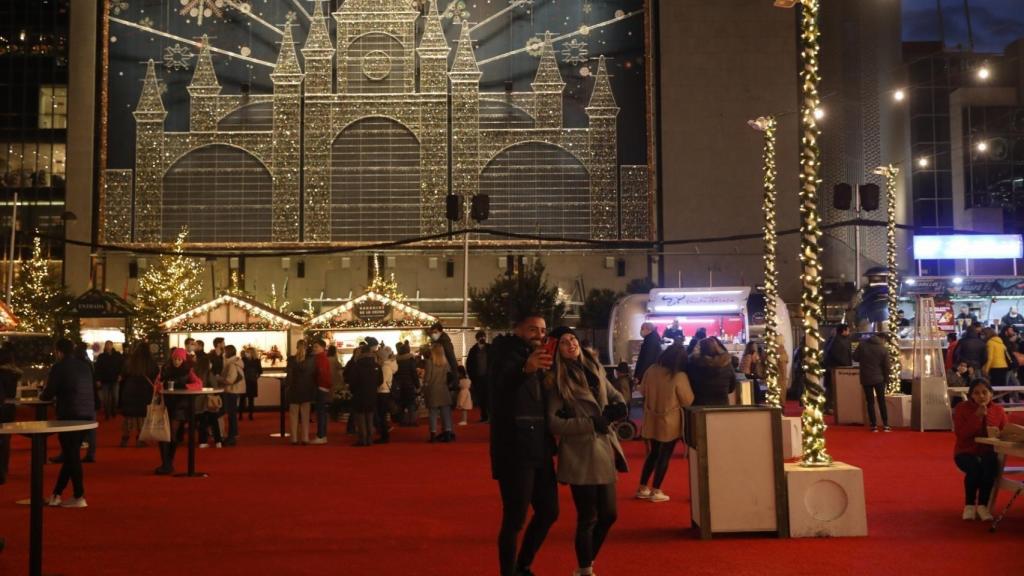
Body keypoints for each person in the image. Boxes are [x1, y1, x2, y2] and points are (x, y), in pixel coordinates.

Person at [545, 326, 627, 576]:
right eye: (563, 342)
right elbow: (554, 423)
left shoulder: (594, 366)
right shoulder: (557, 379)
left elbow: (615, 396)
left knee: (610, 514)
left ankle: (586, 559)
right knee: (588, 517)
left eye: (572, 338)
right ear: (556, 349)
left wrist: (618, 408)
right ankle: (585, 568)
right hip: (580, 453)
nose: (571, 343)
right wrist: (591, 423)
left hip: (603, 448)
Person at [489, 313, 558, 576]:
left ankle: (523, 564)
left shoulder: (540, 359)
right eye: (532, 329)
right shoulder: (503, 353)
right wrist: (524, 370)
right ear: (517, 329)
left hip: (540, 445)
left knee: (549, 511)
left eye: (542, 330)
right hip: (514, 447)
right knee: (515, 517)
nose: (539, 334)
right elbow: (499, 387)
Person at [40, 338, 96, 508]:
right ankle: (57, 494)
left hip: (69, 414)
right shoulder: (84, 366)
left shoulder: (59, 367)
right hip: (87, 414)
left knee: (71, 456)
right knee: (71, 456)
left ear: (59, 351)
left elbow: (49, 393)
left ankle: (79, 495)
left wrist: (42, 396)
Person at [637, 346, 694, 503]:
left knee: (653, 453)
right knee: (665, 455)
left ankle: (642, 487)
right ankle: (656, 489)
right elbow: (687, 400)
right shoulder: (679, 375)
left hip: (651, 417)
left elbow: (642, 391)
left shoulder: (651, 369)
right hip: (670, 420)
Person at [953, 378, 1007, 521]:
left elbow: (1005, 432)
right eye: (976, 393)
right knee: (975, 469)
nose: (981, 396)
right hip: (965, 451)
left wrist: (1000, 434)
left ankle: (983, 506)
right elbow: (961, 434)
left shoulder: (998, 410)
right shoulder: (962, 409)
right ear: (971, 395)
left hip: (988, 451)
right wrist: (976, 416)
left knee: (990, 466)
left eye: (984, 392)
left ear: (991, 394)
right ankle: (969, 505)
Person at [154, 348, 202, 475]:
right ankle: (166, 463)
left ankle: (168, 463)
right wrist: (160, 386)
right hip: (166, 404)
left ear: (183, 359)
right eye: (175, 359)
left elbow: (198, 384)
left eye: (179, 359)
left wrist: (185, 387)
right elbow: (157, 383)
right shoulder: (165, 369)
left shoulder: (188, 371)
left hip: (180, 406)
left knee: (171, 434)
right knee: (164, 434)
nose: (177, 361)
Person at [118, 342, 157, 448]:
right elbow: (155, 374)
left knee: (129, 416)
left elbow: (124, 374)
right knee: (142, 416)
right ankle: (140, 439)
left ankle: (125, 438)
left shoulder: (130, 361)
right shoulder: (150, 361)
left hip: (130, 389)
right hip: (144, 390)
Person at [347, 339, 382, 447]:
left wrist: (353, 390)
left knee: (361, 417)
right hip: (372, 393)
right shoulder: (376, 365)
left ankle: (363, 438)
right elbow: (380, 380)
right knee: (370, 416)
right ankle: (369, 439)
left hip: (359, 394)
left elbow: (352, 381)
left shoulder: (357, 366)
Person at [853, 334, 891, 432]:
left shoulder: (862, 346)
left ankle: (873, 425)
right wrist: (886, 379)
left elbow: (855, 358)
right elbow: (887, 367)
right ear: (882, 339)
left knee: (870, 402)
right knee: (881, 401)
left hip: (866, 378)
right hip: (879, 379)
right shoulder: (883, 349)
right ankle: (886, 424)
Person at [687, 337, 737, 406]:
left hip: (699, 407)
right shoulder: (727, 365)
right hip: (722, 406)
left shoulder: (693, 365)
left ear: (701, 350)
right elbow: (731, 388)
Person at [423, 342, 454, 442]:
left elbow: (427, 377)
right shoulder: (446, 362)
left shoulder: (429, 362)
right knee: (446, 413)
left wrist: (424, 385)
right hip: (444, 389)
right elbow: (449, 375)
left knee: (433, 413)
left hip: (433, 389)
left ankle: (433, 434)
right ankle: (448, 433)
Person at [286, 340, 316, 445]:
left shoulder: (291, 360)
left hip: (294, 389)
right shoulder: (311, 360)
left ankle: (294, 438)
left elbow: (289, 376)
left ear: (296, 347)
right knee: (305, 415)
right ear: (306, 347)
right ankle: (305, 438)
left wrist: (287, 387)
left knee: (293, 415)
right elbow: (314, 375)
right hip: (307, 389)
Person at [0, 347, 21, 485]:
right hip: (10, 408)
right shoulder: (15, 374)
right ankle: (3, 470)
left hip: (1, 406)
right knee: (5, 441)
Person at [823, 324, 853, 411]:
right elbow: (838, 356)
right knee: (831, 390)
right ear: (843, 331)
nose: (849, 332)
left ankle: (829, 406)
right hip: (835, 370)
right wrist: (846, 365)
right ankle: (828, 407)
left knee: (831, 389)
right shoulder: (838, 341)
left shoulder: (838, 340)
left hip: (834, 369)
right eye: (848, 330)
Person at [220, 345, 244, 446]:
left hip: (231, 390)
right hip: (235, 390)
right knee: (232, 414)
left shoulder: (231, 364)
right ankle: (233, 434)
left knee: (231, 415)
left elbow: (230, 380)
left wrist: (219, 379)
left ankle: (231, 436)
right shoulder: (236, 362)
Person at [94, 341, 123, 420]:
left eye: (109, 345)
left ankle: (113, 410)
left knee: (115, 397)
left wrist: (120, 375)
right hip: (105, 380)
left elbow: (122, 366)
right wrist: (98, 380)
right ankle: (107, 413)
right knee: (105, 398)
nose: (108, 346)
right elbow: (98, 369)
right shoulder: (101, 356)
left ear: (112, 345)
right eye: (107, 345)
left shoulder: (117, 355)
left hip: (115, 379)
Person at [311, 339, 332, 445]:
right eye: (314, 347)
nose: (314, 349)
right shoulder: (321, 358)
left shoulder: (321, 359)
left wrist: (320, 385)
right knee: (321, 413)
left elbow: (322, 374)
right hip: (322, 387)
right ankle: (321, 435)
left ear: (322, 348)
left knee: (321, 413)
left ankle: (321, 435)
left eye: (316, 347)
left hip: (321, 388)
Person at [467, 330, 491, 422]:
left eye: (484, 336)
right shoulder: (473, 350)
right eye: (480, 337)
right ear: (477, 339)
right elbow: (469, 364)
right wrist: (472, 377)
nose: (483, 338)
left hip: (489, 377)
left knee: (489, 398)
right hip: (478, 378)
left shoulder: (490, 348)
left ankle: (490, 417)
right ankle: (484, 416)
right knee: (481, 398)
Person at [375, 345, 398, 443]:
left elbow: (382, 381)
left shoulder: (384, 367)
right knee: (383, 415)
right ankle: (384, 435)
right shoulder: (390, 365)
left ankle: (384, 435)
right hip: (386, 391)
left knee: (381, 415)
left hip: (382, 392)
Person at [393, 341, 419, 426]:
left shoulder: (396, 360)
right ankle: (412, 421)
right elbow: (413, 373)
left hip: (399, 385)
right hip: (409, 384)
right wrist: (417, 384)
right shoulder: (410, 359)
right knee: (411, 403)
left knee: (401, 403)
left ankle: (402, 421)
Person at [240, 347, 262, 421]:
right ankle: (240, 414)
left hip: (252, 381)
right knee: (242, 399)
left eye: (248, 352)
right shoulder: (243, 360)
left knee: (251, 399)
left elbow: (260, 371)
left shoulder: (257, 360)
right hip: (244, 381)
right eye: (247, 352)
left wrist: (256, 376)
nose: (247, 353)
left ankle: (250, 414)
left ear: (252, 353)